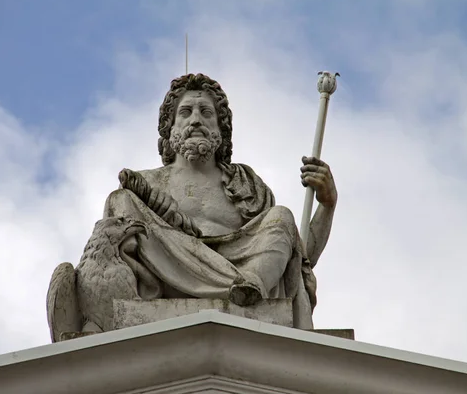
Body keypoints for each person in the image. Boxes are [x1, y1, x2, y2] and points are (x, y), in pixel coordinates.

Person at [47, 73, 337, 341]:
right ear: (170, 129)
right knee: (119, 202)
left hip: (242, 274)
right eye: (185, 112)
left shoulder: (247, 183)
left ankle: (252, 286)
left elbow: (298, 259)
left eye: (206, 113)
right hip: (165, 268)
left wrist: (327, 203)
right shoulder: (145, 187)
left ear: (220, 130)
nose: (196, 120)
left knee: (282, 216)